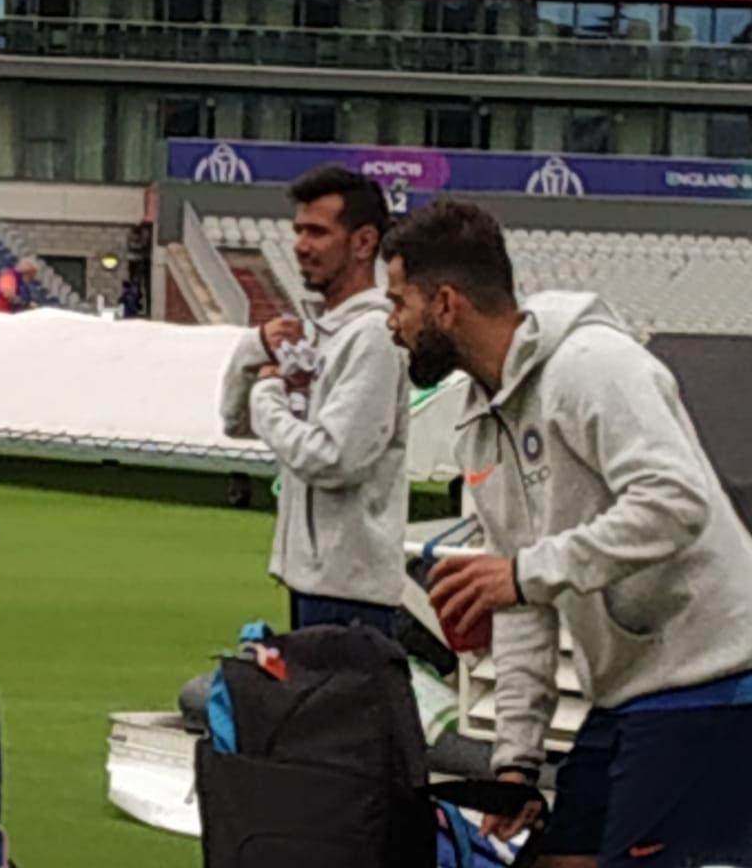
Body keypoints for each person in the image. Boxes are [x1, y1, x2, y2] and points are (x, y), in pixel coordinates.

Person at [382, 199, 752, 868]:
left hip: (713, 687)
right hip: (632, 698)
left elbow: (676, 500)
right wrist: (516, 762)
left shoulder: (594, 363)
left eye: (399, 303)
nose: (391, 325)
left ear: (444, 304)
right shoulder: (480, 422)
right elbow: (519, 600)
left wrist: (523, 573)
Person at [220, 164, 409, 635]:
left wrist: (269, 392)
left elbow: (333, 459)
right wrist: (255, 349)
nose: (301, 245)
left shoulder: (374, 337)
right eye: (298, 230)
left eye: (318, 232)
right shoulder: (325, 332)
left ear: (364, 242)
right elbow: (235, 421)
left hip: (350, 592)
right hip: (313, 581)